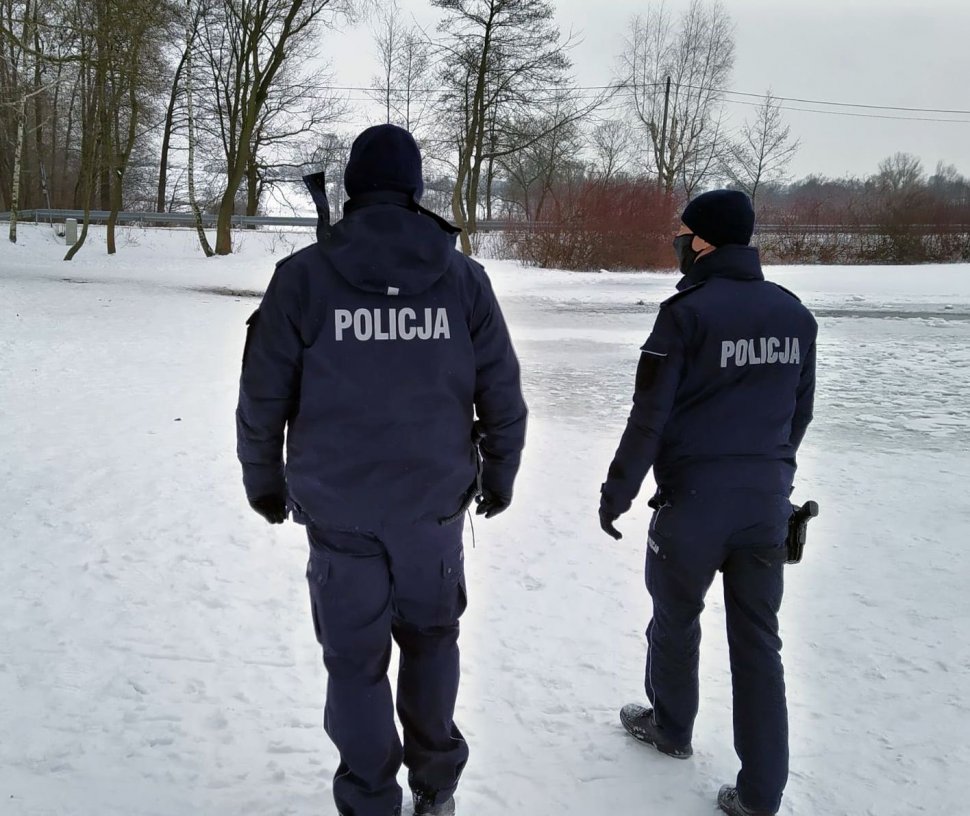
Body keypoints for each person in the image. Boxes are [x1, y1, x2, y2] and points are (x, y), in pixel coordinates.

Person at [236, 124, 528, 816]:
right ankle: (435, 787)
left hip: (341, 512)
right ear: (414, 188)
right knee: (431, 641)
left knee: (355, 664)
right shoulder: (462, 280)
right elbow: (504, 394)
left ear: (351, 189)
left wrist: (264, 483)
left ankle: (372, 799)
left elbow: (261, 399)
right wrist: (500, 472)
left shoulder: (303, 278)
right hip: (431, 509)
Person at [599, 190, 817, 816]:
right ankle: (761, 794)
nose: (679, 240)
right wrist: (769, 477)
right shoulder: (794, 316)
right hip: (764, 505)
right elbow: (798, 414)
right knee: (758, 644)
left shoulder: (684, 315)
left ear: (705, 242)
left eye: (685, 232)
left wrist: (618, 493)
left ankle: (671, 727)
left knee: (675, 619)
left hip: (692, 504)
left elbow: (649, 419)